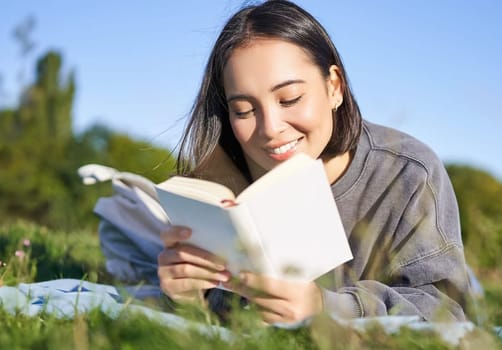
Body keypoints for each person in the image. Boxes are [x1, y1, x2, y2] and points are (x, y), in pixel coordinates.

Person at [155, 0, 471, 324]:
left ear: (334, 87)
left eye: (290, 99)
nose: (270, 129)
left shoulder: (407, 173)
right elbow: (216, 312)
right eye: (244, 110)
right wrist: (189, 295)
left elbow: (448, 310)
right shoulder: (223, 187)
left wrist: (326, 306)